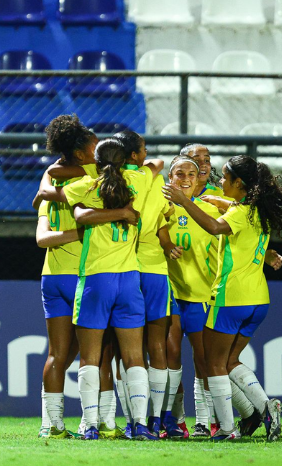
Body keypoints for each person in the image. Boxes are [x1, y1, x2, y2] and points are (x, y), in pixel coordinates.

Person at [161, 155, 282, 441]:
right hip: (258, 299)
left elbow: (214, 227)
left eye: (225, 178)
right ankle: (265, 407)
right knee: (229, 361)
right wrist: (212, 201)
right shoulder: (258, 211)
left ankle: (227, 428)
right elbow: (232, 210)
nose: (219, 182)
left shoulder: (237, 214)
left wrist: (185, 201)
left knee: (213, 365)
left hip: (230, 298)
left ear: (240, 183)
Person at [37, 138, 163, 440]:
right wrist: (124, 211)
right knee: (134, 357)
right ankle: (140, 425)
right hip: (130, 279)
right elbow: (156, 164)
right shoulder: (140, 180)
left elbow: (64, 205)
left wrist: (53, 173)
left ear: (96, 160)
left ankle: (90, 425)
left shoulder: (88, 186)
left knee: (90, 357)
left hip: (96, 279)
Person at [35, 115, 131, 439]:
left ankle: (51, 425)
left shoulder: (51, 179)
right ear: (80, 153)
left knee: (56, 355)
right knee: (99, 352)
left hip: (52, 276)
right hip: (85, 275)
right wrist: (80, 232)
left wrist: (45, 188)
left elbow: (41, 239)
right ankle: (103, 422)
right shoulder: (95, 174)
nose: (98, 148)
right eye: (93, 145)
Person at [157, 155, 223, 438]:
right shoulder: (160, 209)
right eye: (179, 173)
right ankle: (176, 420)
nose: (185, 179)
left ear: (199, 181)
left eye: (191, 175)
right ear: (169, 179)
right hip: (170, 293)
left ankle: (206, 420)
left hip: (200, 294)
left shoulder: (208, 210)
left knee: (203, 358)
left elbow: (233, 241)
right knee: (170, 356)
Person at [113, 131, 174, 437]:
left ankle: (129, 419)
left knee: (124, 349)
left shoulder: (107, 181)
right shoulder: (153, 178)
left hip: (122, 268)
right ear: (136, 156)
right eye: (144, 149)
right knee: (157, 346)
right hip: (155, 271)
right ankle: (158, 419)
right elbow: (162, 219)